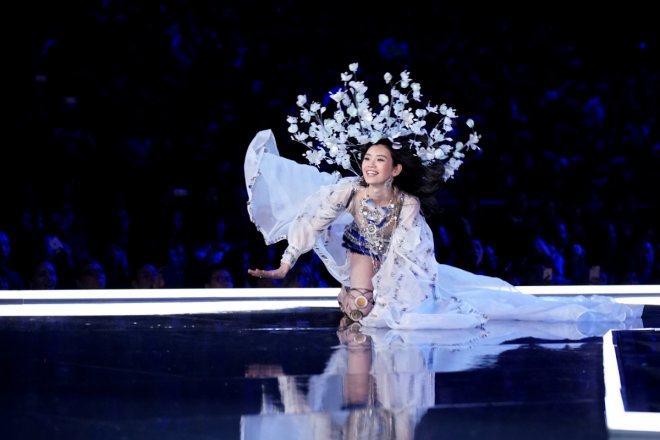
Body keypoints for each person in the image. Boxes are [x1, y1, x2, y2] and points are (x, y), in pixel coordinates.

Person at [244, 63, 644, 330]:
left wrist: (377, 302)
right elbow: (312, 230)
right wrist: (288, 267)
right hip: (376, 283)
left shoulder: (394, 206)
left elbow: (406, 259)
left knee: (499, 305)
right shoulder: (337, 200)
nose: (369, 166)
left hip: (409, 284)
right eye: (368, 159)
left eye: (379, 161)